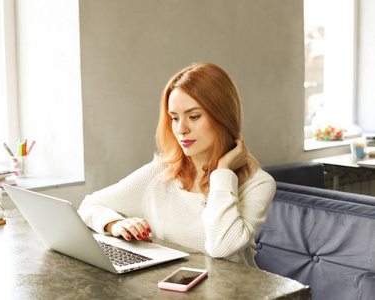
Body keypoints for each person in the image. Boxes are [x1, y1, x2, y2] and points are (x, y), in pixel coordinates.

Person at [78, 63, 276, 268]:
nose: (181, 129)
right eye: (174, 118)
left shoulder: (258, 184)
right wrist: (115, 224)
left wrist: (223, 171)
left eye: (194, 117)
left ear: (223, 117)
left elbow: (221, 247)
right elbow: (89, 205)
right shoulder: (159, 173)